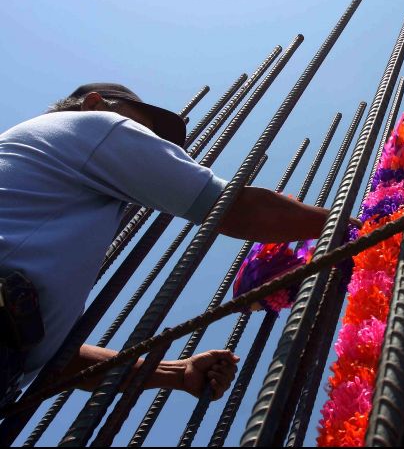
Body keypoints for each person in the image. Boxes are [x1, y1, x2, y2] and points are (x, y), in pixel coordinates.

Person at [0, 83, 337, 406]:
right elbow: (234, 209)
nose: (152, 141)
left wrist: (175, 373)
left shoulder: (56, 198)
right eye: (143, 127)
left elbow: (62, 362)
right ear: (94, 103)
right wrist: (352, 227)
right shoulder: (93, 125)